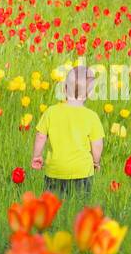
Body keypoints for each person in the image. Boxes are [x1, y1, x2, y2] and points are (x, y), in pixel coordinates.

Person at [31, 66, 104, 196]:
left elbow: (40, 136)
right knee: (80, 206)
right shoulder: (92, 117)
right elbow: (97, 144)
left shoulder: (51, 112)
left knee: (52, 205)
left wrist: (37, 156)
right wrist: (96, 162)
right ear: (91, 93)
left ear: (64, 88)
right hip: (82, 171)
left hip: (55, 170)